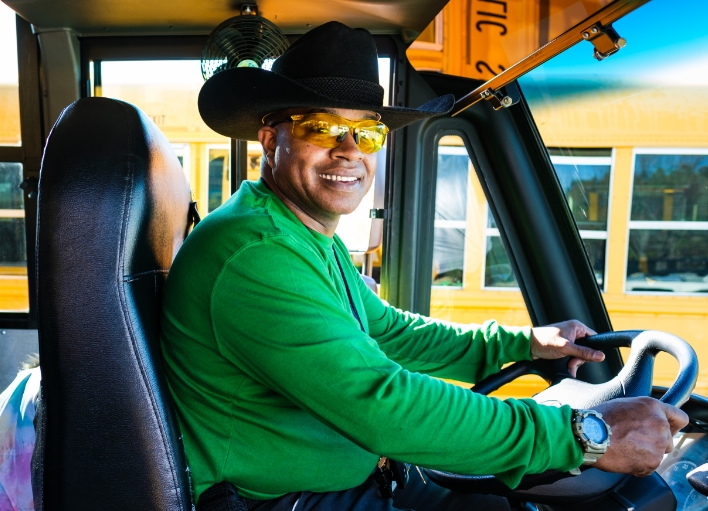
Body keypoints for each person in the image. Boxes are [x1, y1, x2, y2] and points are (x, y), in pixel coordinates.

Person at [160, 21, 688, 511]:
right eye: (321, 128)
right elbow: (382, 405)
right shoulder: (257, 255)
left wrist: (520, 344)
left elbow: (388, 333)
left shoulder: (299, 235)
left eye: (367, 134)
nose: (349, 152)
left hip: (354, 479)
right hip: (283, 500)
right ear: (271, 139)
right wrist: (582, 433)